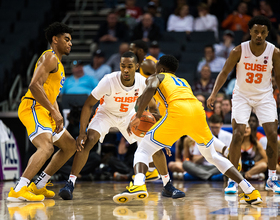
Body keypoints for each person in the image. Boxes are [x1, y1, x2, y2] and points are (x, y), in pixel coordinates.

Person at [113, 55, 262, 205]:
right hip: (197, 111)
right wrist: (164, 140)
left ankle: (138, 184)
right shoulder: (182, 82)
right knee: (212, 157)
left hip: (178, 111)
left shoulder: (158, 76)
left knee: (143, 150)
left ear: (162, 69)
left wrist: (138, 115)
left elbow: (153, 90)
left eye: (157, 65)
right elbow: (170, 117)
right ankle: (250, 190)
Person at [59, 52, 184, 200]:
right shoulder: (108, 80)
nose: (125, 70)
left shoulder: (142, 81)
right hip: (105, 113)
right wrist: (82, 132)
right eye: (123, 66)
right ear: (120, 66)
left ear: (136, 67)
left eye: (130, 66)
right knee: (89, 140)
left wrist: (160, 134)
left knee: (152, 143)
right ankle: (70, 183)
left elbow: (154, 108)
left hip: (128, 116)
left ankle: (167, 185)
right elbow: (88, 105)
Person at [207, 15, 280, 194]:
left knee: (272, 134)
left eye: (263, 32)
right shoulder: (238, 50)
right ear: (250, 32)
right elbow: (224, 73)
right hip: (242, 96)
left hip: (264, 96)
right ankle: (234, 180)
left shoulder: (275, 52)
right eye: (256, 31)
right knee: (238, 133)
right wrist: (213, 94)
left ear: (267, 33)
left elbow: (278, 77)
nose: (259, 35)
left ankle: (272, 178)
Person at [7, 22, 77, 202]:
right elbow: (34, 86)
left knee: (70, 146)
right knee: (46, 147)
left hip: (46, 110)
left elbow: (50, 94)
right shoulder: (50, 56)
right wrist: (54, 111)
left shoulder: (59, 64)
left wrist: (57, 114)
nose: (70, 43)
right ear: (55, 39)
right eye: (66, 39)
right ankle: (19, 189)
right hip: (33, 106)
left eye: (71, 40)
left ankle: (38, 185)